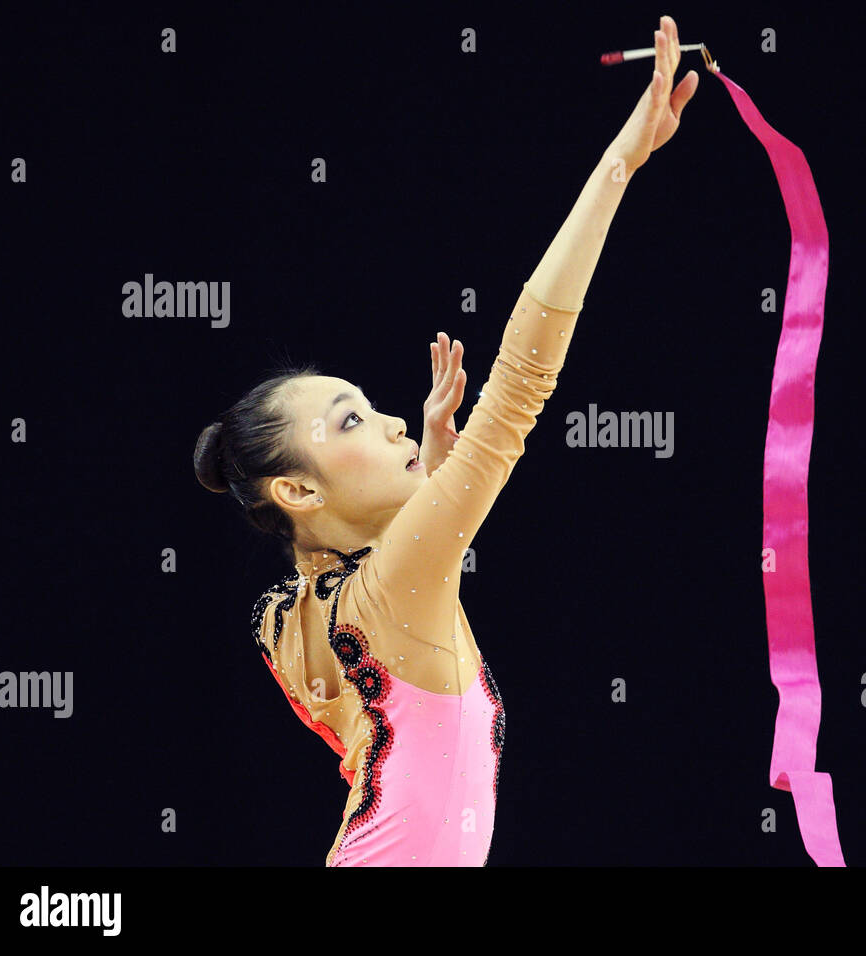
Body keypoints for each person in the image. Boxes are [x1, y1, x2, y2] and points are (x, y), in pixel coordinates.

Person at [191, 16, 698, 865]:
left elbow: (369, 573)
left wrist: (424, 486)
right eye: (351, 420)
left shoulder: (321, 610)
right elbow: (518, 393)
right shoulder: (391, 589)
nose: (392, 418)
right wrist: (621, 163)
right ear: (299, 491)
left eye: (370, 405)